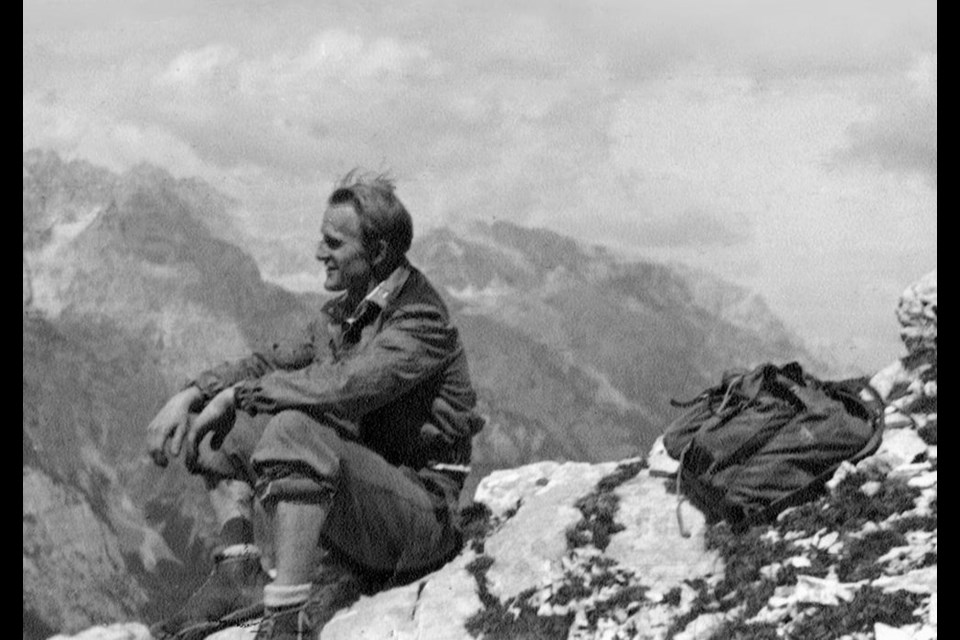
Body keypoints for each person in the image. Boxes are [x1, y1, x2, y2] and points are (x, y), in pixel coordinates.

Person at [146, 170, 484, 640]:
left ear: (378, 252)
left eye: (334, 243)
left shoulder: (420, 320)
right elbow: (270, 360)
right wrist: (194, 394)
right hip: (367, 494)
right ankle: (238, 575)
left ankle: (285, 621)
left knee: (292, 429)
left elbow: (346, 384)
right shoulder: (344, 311)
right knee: (215, 430)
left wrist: (236, 396)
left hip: (422, 518)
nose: (318, 253)